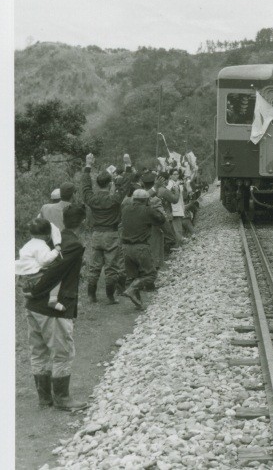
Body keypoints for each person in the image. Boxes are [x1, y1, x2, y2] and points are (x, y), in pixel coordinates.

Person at [24, 203, 88, 410]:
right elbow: (55, 271)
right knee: (63, 352)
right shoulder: (74, 245)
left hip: (33, 306)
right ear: (84, 222)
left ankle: (44, 398)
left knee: (38, 350)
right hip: (51, 307)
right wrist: (37, 290)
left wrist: (31, 291)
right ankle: (62, 398)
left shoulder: (52, 239)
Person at [81, 153, 133, 304]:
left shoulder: (92, 198)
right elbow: (125, 186)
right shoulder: (114, 199)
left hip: (96, 234)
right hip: (111, 234)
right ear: (110, 184)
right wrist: (128, 166)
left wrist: (88, 166)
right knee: (111, 267)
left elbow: (85, 187)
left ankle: (91, 295)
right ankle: (110, 297)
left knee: (94, 266)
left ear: (97, 184)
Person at [119, 189, 167, 309]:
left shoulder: (125, 210)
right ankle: (132, 289)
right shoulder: (147, 210)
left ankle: (138, 304)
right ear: (146, 200)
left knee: (133, 276)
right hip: (141, 247)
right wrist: (151, 206)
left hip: (125, 248)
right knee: (150, 275)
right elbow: (162, 219)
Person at [16, 218, 64, 312]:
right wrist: (56, 250)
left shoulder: (28, 244)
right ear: (47, 235)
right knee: (57, 276)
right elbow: (44, 261)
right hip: (35, 276)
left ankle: (29, 292)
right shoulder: (42, 245)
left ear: (31, 233)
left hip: (25, 275)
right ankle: (53, 300)